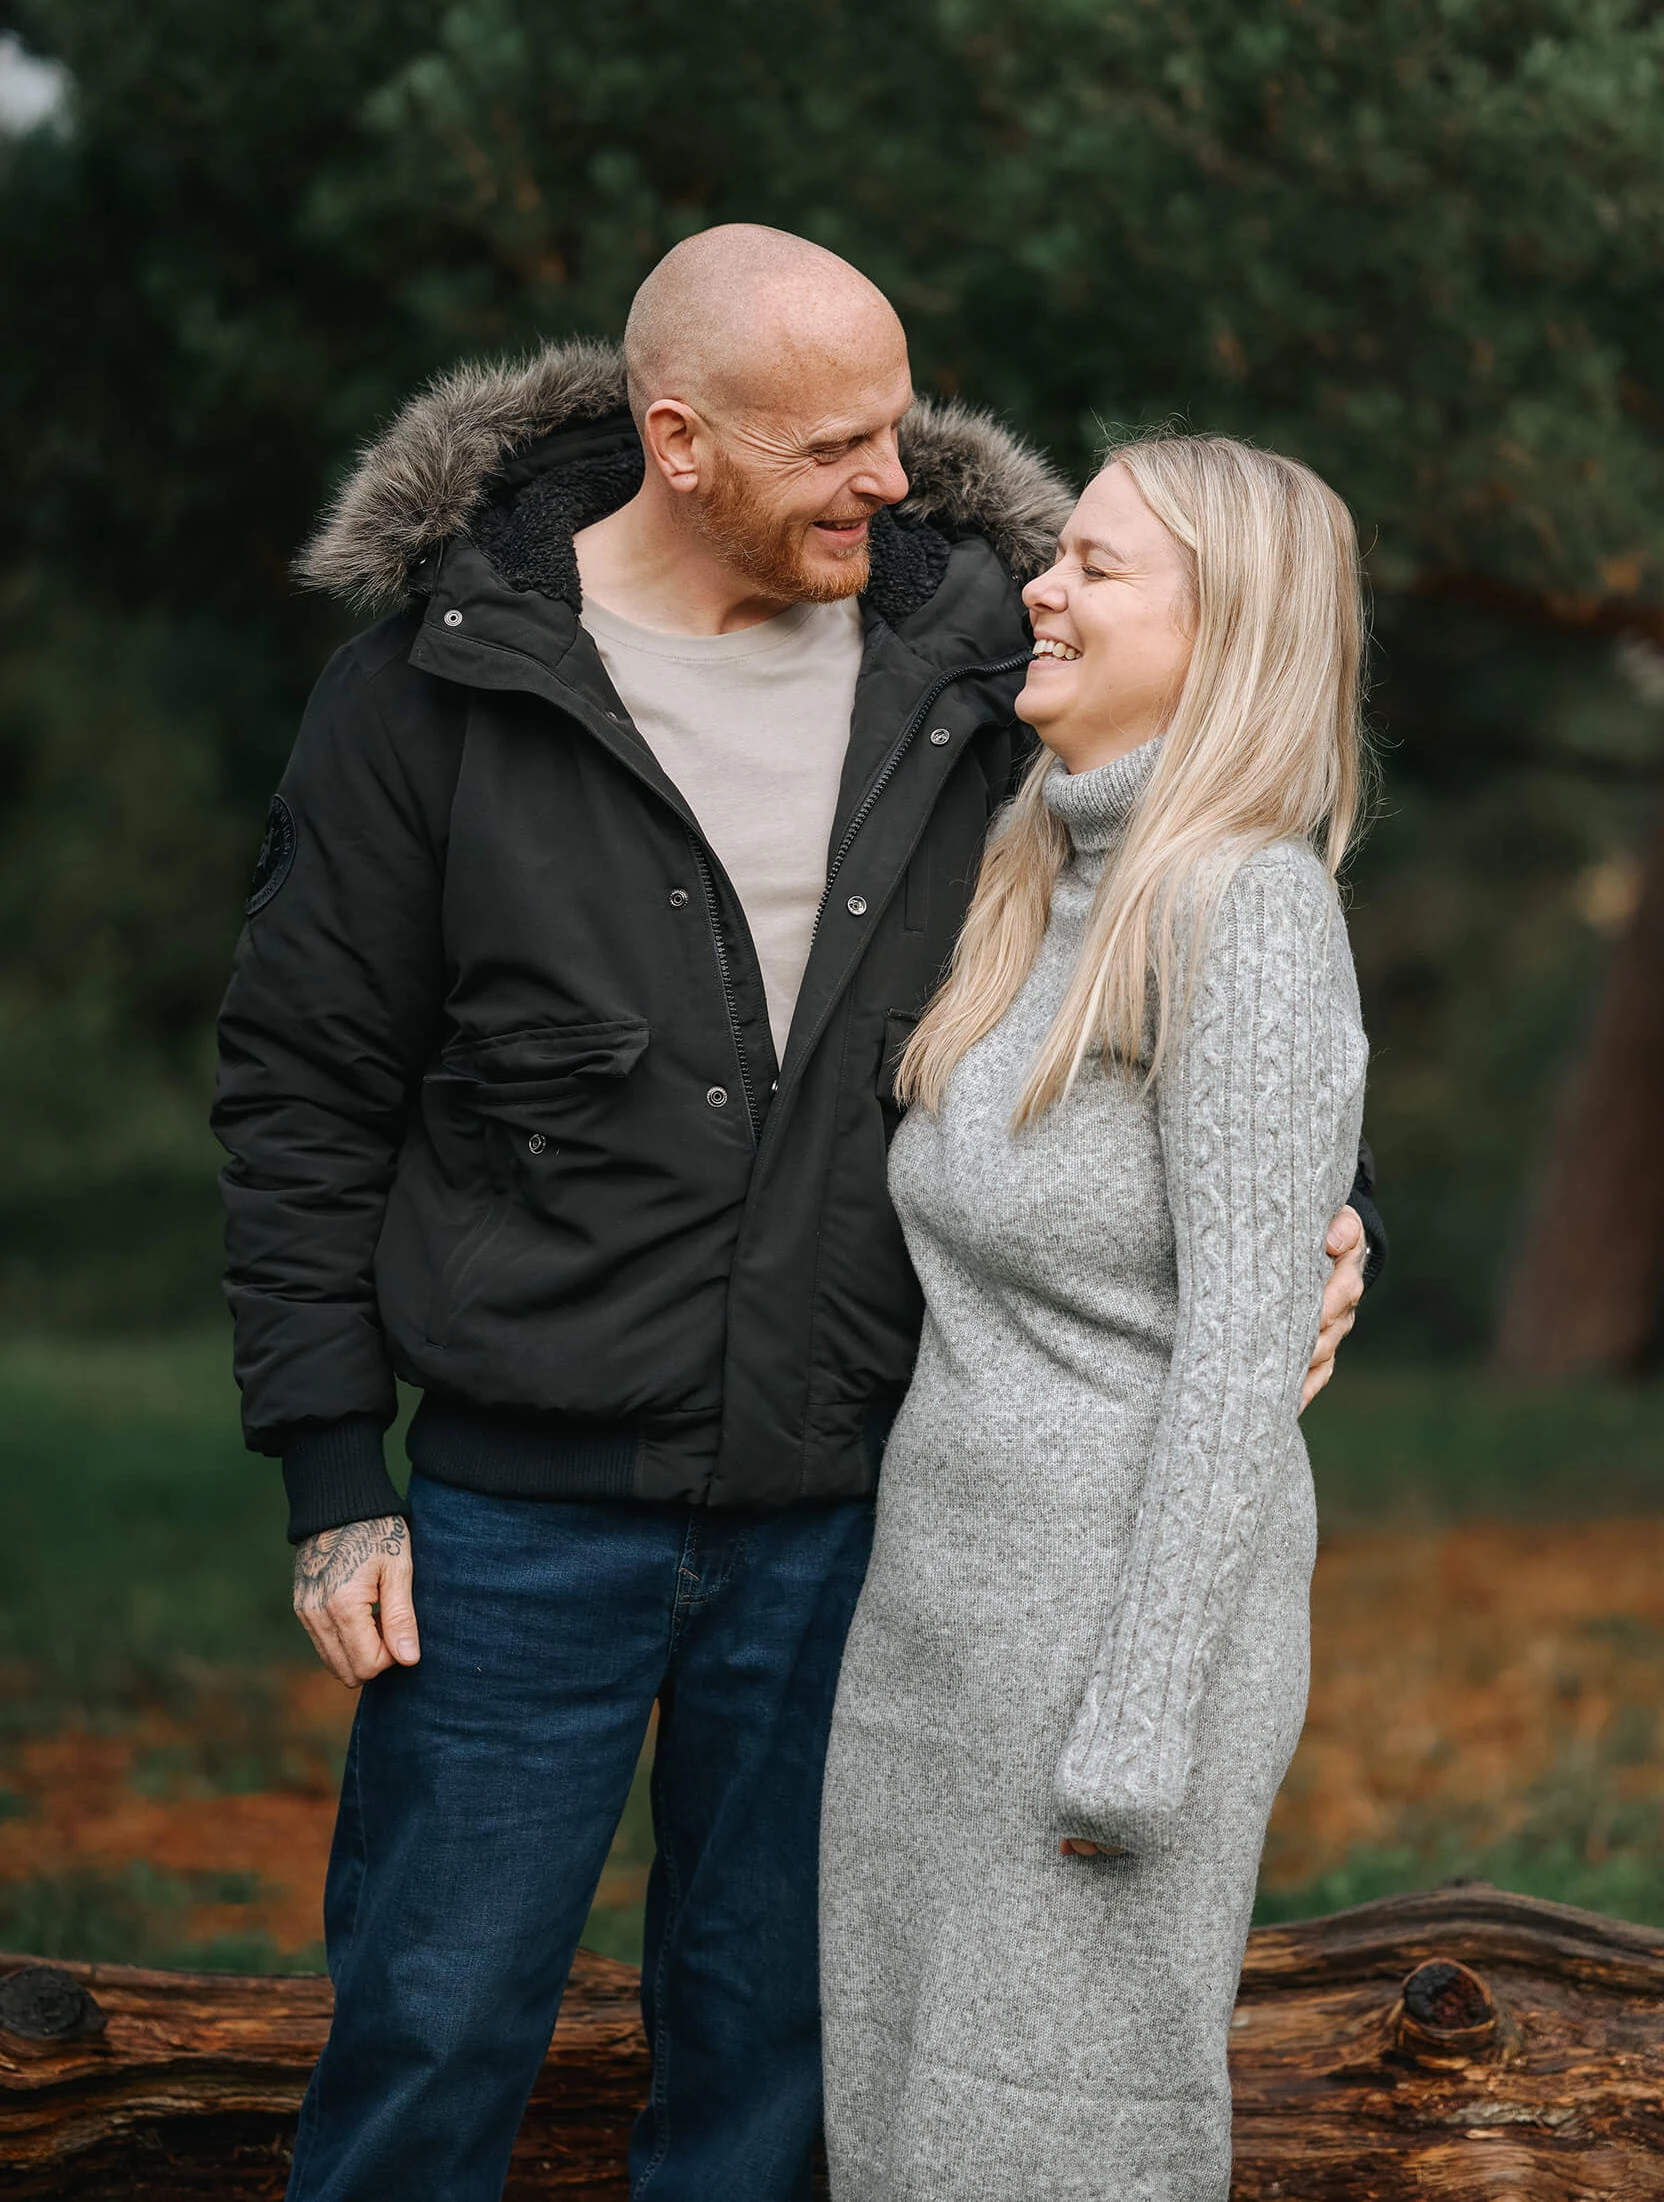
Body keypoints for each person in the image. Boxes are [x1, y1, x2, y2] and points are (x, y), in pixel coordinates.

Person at [212, 230, 1379, 2202]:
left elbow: (1201, 900)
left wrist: (1323, 1205)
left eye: (901, 428)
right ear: (677, 440)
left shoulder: (977, 665)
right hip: (516, 1509)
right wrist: (336, 1464)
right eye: (837, 440)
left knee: (768, 2062)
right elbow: (301, 1085)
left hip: (854, 1514)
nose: (898, 483)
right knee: (430, 2020)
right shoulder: (432, 688)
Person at [819, 434, 1371, 2202]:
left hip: (1106, 1661)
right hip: (939, 1643)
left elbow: (1233, 1373)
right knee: (909, 2133)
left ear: (1227, 637)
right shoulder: (1029, 874)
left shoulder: (1247, 907)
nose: (1041, 590)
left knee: (1056, 2148)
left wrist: (1136, 1722)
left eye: (1100, 568)